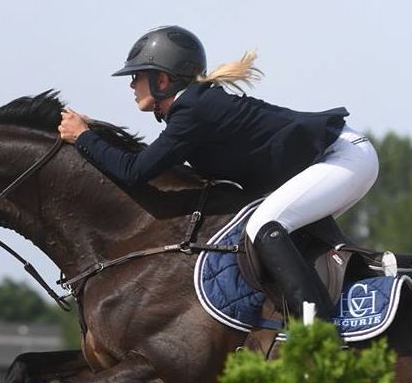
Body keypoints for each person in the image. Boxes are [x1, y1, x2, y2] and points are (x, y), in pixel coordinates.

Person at [58, 25, 379, 320]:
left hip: (343, 158)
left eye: (137, 75)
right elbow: (149, 163)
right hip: (336, 159)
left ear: (163, 80)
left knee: (265, 227)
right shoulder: (193, 109)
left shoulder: (192, 111)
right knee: (288, 237)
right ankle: (371, 279)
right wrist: (93, 132)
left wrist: (84, 137)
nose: (131, 84)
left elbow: (135, 172)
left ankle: (317, 334)